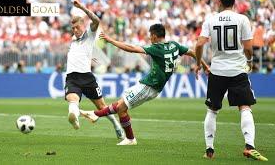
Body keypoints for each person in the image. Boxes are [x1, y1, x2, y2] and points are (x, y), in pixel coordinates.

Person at [80, 24, 210, 145]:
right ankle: (129, 138)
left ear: (154, 35)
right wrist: (203, 66)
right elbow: (193, 52)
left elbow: (131, 48)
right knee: (121, 106)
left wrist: (111, 40)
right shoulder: (174, 45)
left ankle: (96, 114)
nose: (149, 37)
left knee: (121, 107)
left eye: (150, 35)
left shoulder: (157, 48)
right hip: (147, 83)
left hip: (150, 87)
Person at [194, 0, 268, 161]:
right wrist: (249, 62)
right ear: (234, 1)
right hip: (237, 70)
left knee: (212, 110)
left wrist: (198, 63)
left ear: (219, 2)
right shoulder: (242, 19)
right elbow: (248, 48)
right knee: (245, 107)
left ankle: (209, 150)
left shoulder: (210, 20)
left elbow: (199, 45)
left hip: (217, 70)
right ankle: (249, 146)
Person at [65, 0, 124, 140]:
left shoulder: (89, 34)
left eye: (77, 27)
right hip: (72, 77)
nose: (75, 30)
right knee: (72, 100)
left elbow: (96, 20)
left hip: (87, 77)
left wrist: (82, 8)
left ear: (83, 26)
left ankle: (116, 125)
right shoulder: (73, 39)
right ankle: (74, 118)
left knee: (102, 106)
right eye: (72, 28)